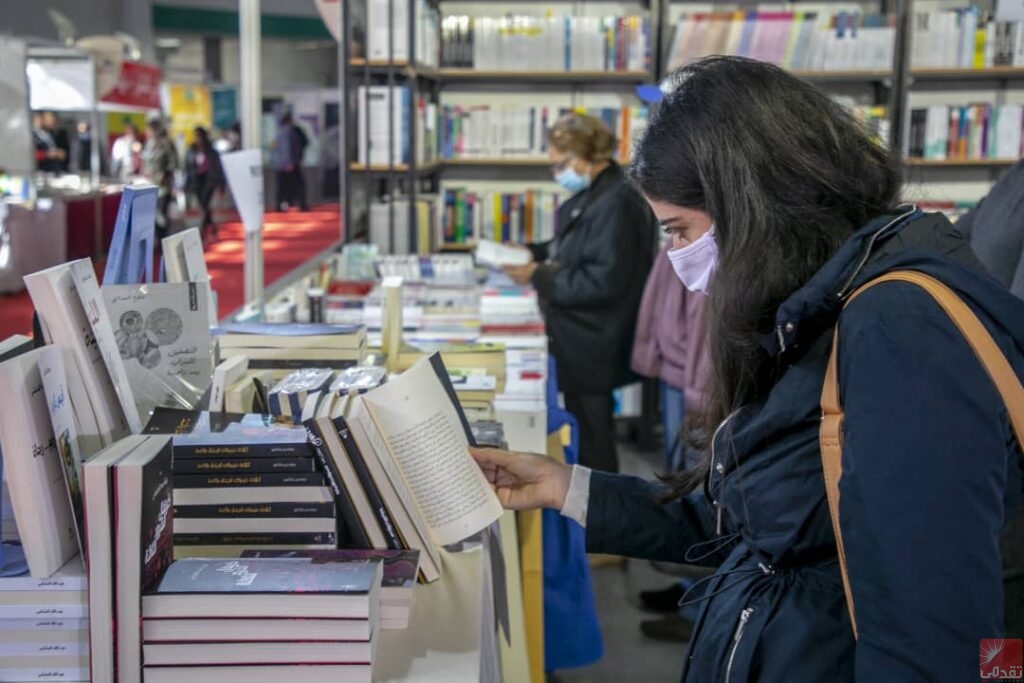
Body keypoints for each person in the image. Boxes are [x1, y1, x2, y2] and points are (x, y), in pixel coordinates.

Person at [471, 56, 1024, 681]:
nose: (677, 260)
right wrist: (564, 486)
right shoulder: (819, 303)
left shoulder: (898, 327)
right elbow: (754, 517)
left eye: (680, 232)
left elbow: (928, 631)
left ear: (754, 203)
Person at [503, 112, 657, 473]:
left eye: (563, 164)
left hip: (594, 338)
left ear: (588, 154)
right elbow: (571, 245)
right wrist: (533, 251)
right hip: (579, 336)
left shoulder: (618, 200)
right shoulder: (595, 193)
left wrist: (537, 274)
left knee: (592, 433)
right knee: (585, 426)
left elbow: (603, 281)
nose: (559, 174)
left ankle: (600, 511)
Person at [184, 126, 225, 242]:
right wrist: (187, 184)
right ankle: (211, 227)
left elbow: (218, 168)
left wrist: (222, 185)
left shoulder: (211, 152)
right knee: (204, 206)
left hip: (209, 181)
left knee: (205, 204)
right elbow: (187, 168)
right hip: (197, 181)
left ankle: (203, 230)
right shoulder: (191, 151)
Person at [142, 115, 179, 241]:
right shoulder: (149, 143)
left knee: (162, 213)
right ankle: (157, 238)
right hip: (150, 184)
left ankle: (164, 238)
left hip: (163, 185)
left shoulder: (166, 143)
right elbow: (145, 162)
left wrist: (166, 176)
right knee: (153, 214)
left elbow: (173, 163)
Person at [272, 113, 308, 211]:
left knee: (283, 186)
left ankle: (281, 205)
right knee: (297, 184)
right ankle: (300, 204)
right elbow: (286, 148)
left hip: (282, 164)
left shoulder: (280, 132)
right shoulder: (287, 132)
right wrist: (289, 162)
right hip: (288, 164)